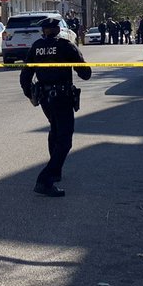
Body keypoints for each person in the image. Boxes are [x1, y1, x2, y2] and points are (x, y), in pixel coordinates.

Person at [19, 16, 92, 197]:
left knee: (55, 130)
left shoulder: (36, 47)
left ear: (43, 31)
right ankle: (46, 179)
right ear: (58, 30)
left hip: (45, 98)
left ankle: (56, 170)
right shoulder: (66, 45)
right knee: (65, 139)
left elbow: (25, 75)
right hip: (62, 97)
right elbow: (85, 73)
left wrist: (30, 95)